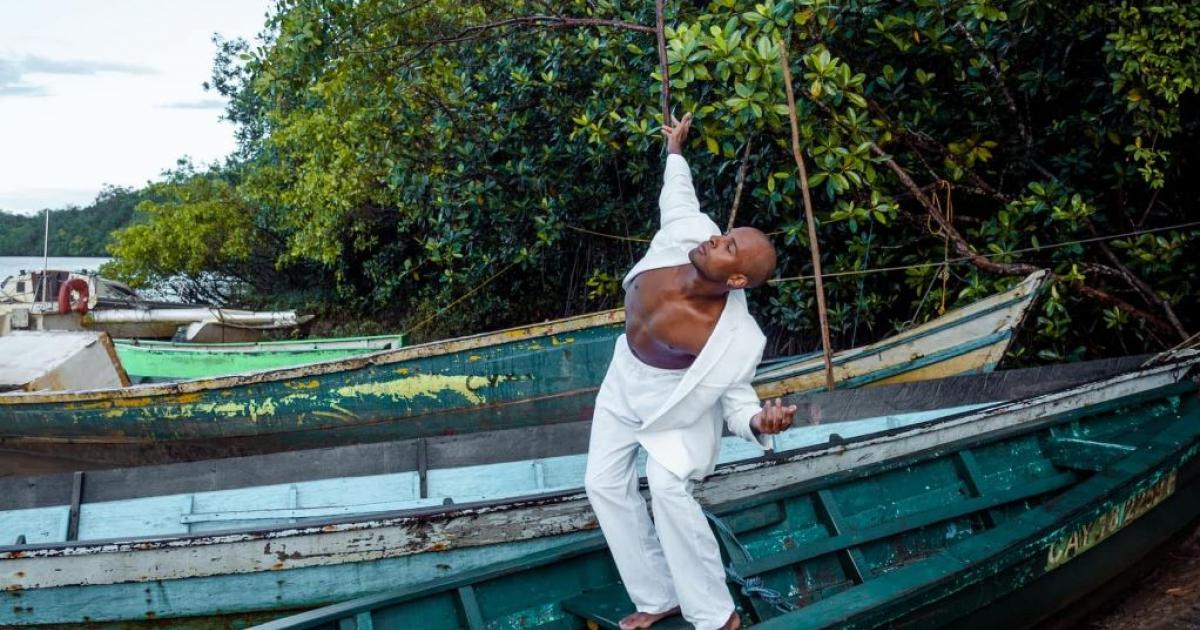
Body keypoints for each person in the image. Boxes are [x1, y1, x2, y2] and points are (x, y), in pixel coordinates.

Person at [584, 112, 797, 630]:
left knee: (665, 485)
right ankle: (657, 597)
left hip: (674, 405)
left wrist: (758, 423)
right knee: (602, 484)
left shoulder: (736, 336)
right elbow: (678, 198)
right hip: (623, 378)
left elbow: (735, 395)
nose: (714, 241)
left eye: (727, 247)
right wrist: (676, 151)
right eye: (724, 235)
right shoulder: (688, 235)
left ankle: (716, 615)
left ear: (739, 277)